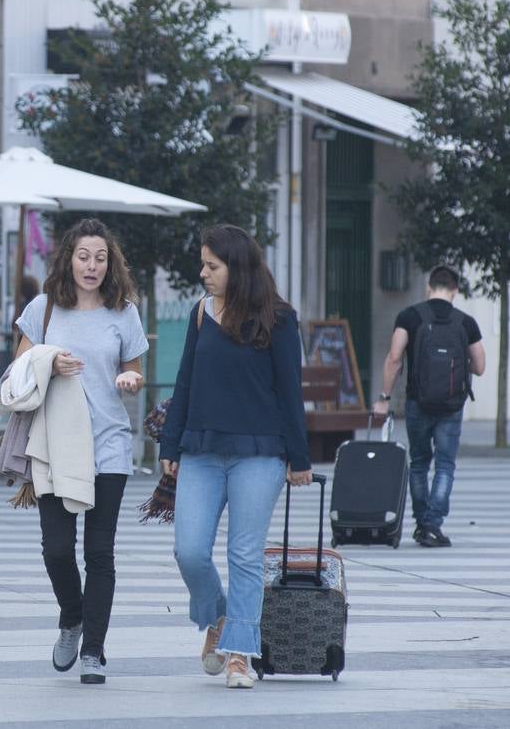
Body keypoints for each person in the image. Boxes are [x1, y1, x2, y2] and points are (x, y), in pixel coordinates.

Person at [159, 224, 312, 690]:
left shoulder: (279, 319)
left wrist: (299, 458)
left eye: (212, 265)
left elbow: (289, 390)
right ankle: (220, 618)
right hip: (201, 451)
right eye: (203, 264)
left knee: (244, 554)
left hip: (260, 453)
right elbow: (184, 380)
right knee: (188, 550)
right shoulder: (201, 313)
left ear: (237, 267)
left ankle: (240, 656)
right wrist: (170, 443)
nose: (203, 273)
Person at [14, 217, 148, 684]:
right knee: (56, 550)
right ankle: (72, 616)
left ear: (110, 264)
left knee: (100, 553)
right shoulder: (43, 309)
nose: (92, 266)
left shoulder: (123, 311)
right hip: (55, 446)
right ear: (68, 258)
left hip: (109, 444)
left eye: (100, 258)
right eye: (84, 256)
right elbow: (18, 369)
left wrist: (131, 380)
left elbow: (132, 371)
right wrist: (49, 359)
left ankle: (94, 649)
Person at [373, 264, 485, 548]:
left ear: (428, 287)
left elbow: (394, 358)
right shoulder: (466, 322)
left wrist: (384, 398)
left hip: (417, 403)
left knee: (420, 463)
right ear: (455, 291)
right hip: (452, 405)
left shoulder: (409, 316)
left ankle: (423, 522)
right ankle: (433, 523)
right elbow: (481, 366)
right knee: (445, 465)